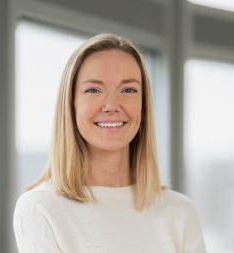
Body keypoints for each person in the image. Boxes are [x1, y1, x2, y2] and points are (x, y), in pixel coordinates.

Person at [13, 33, 207, 253]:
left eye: (128, 90)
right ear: (71, 105)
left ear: (143, 107)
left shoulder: (179, 211)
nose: (112, 105)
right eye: (93, 90)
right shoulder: (40, 208)